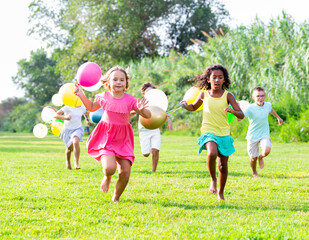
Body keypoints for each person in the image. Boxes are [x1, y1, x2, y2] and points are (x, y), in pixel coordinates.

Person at [74, 66, 151, 203]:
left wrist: (142, 110)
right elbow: (91, 107)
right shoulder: (104, 97)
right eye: (115, 79)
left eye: (122, 79)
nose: (118, 82)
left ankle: (116, 197)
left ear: (126, 83)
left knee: (125, 173)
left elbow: (148, 115)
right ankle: (107, 176)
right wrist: (81, 95)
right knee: (110, 168)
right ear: (108, 82)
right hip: (106, 136)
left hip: (123, 138)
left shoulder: (130, 100)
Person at [180, 64, 244, 200]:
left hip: (224, 133)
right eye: (214, 77)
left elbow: (241, 115)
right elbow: (193, 107)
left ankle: (221, 192)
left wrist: (233, 111)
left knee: (223, 165)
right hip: (208, 131)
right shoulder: (203, 94)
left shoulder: (228, 96)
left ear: (224, 80)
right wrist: (186, 106)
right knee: (212, 152)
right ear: (208, 79)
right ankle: (213, 179)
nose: (217, 80)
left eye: (220, 77)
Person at [238, 86, 283, 177]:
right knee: (253, 158)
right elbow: (240, 118)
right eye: (258, 96)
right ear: (253, 97)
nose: (260, 98)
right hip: (252, 136)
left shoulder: (268, 105)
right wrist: (237, 113)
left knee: (266, 150)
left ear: (265, 96)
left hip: (264, 134)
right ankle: (254, 172)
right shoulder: (250, 108)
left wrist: (278, 117)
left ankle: (261, 157)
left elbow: (271, 110)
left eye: (262, 96)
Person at [138, 82, 173, 173]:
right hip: (143, 130)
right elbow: (134, 111)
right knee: (146, 154)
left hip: (154, 129)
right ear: (144, 93)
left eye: (152, 91)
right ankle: (146, 152)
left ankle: (153, 170)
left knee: (155, 150)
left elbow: (163, 112)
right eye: (147, 92)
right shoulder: (142, 103)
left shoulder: (157, 103)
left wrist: (168, 121)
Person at [54, 106, 91, 170]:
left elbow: (85, 113)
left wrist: (87, 120)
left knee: (75, 141)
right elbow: (55, 115)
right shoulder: (67, 106)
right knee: (69, 149)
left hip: (77, 128)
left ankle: (76, 162)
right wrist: (65, 117)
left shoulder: (81, 106)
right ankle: (68, 162)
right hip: (67, 130)